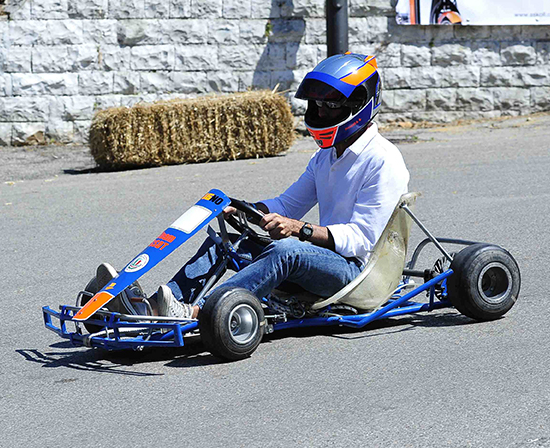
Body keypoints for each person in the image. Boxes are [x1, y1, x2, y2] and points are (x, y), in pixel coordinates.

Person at [98, 52, 410, 319]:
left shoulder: (383, 160)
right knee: (224, 242)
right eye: (317, 105)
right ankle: (154, 310)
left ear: (358, 103)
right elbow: (287, 205)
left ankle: (203, 312)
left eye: (330, 106)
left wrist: (298, 229)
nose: (320, 113)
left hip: (360, 275)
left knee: (287, 250)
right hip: (324, 261)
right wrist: (245, 209)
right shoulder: (326, 157)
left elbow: (362, 240)